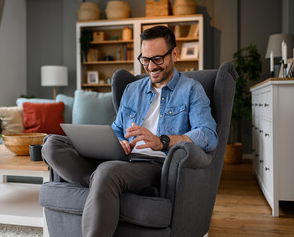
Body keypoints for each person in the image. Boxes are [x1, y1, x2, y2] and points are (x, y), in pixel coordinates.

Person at [42, 25, 218, 237]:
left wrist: (162, 141)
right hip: (122, 160)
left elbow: (209, 135)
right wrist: (118, 141)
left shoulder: (191, 90)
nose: (151, 66)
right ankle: (102, 183)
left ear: (175, 54)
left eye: (158, 59)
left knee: (107, 172)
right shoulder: (133, 90)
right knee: (51, 145)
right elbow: (117, 128)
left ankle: (104, 181)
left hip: (155, 165)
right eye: (145, 60)